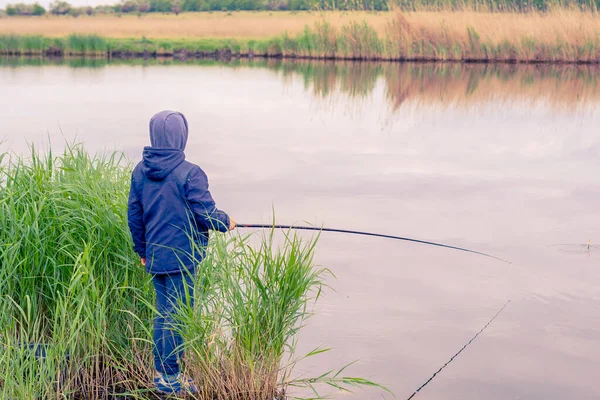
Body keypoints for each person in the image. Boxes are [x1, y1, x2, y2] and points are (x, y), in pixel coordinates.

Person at [127, 110, 235, 395]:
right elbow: (206, 215)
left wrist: (142, 249)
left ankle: (163, 374)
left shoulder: (141, 170)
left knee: (164, 314)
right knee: (175, 315)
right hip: (183, 258)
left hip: (155, 254)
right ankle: (171, 379)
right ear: (181, 137)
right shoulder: (191, 173)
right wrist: (226, 221)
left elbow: (134, 215)